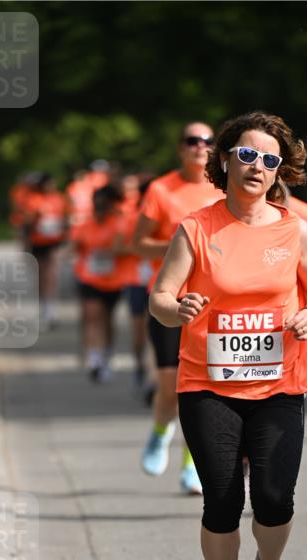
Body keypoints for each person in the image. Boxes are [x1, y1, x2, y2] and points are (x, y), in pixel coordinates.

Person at [150, 110, 307, 560]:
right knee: (223, 498)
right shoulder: (197, 227)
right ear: (225, 158)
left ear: (280, 172)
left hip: (280, 379)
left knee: (276, 497)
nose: (257, 166)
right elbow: (160, 296)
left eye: (269, 159)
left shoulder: (294, 229)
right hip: (208, 382)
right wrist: (178, 309)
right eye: (247, 154)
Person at [134, 122, 222, 495]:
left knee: (201, 391)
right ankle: (159, 431)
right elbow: (138, 242)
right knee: (170, 390)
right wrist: (177, 248)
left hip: (213, 304)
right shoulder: (161, 189)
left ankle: (192, 466)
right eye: (192, 141)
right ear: (180, 148)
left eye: (206, 141)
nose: (199, 147)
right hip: (171, 301)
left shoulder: (224, 188)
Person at [71, 183, 130, 382]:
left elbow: (123, 247)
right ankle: (93, 358)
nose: (101, 209)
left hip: (113, 281)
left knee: (107, 320)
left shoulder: (119, 223)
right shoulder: (85, 224)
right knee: (91, 315)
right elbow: (76, 245)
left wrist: (108, 251)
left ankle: (106, 356)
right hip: (89, 278)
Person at [117, 174, 155, 395]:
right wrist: (142, 248)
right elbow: (118, 246)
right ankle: (140, 368)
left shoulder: (163, 216)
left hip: (159, 278)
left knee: (155, 329)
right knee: (139, 332)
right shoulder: (131, 216)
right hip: (135, 280)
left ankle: (153, 378)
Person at [23, 172, 68, 330]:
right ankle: (43, 306)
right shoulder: (34, 199)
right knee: (42, 275)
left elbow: (65, 219)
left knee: (51, 274)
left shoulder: (58, 199)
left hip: (54, 242)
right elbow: (27, 223)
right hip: (38, 242)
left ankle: (51, 310)